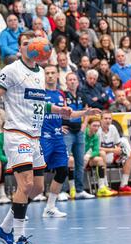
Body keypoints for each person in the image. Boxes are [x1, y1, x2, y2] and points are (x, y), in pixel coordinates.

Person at [0, 31, 72, 244]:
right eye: (26, 43)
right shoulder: (12, 70)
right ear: (20, 47)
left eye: (34, 43)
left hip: (34, 137)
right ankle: (18, 239)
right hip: (16, 134)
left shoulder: (41, 72)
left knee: (37, 188)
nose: (31, 47)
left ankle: (4, 229)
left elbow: (37, 103)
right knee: (24, 185)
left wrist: (58, 109)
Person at [38, 65, 101, 215]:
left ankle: (50, 207)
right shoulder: (39, 94)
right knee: (35, 179)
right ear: (44, 76)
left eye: (53, 73)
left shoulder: (60, 95)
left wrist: (87, 112)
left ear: (58, 75)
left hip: (57, 137)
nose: (51, 76)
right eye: (48, 73)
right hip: (42, 138)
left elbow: (67, 114)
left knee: (62, 170)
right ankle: (19, 209)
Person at [61, 72, 96, 200]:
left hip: (79, 132)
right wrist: (60, 126)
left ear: (78, 82)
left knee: (80, 162)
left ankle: (80, 190)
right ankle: (63, 191)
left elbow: (87, 110)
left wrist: (84, 125)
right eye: (69, 79)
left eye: (74, 79)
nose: (72, 81)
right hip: (67, 132)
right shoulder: (63, 95)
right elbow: (59, 111)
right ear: (66, 82)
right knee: (64, 161)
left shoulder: (82, 95)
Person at [98, 111, 131, 194]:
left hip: (112, 154)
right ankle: (105, 186)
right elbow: (97, 149)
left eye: (109, 118)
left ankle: (124, 185)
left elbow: (118, 144)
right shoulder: (97, 130)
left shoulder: (113, 128)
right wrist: (113, 150)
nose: (108, 120)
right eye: (105, 118)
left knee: (130, 154)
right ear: (101, 120)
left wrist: (121, 151)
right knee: (102, 154)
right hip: (101, 155)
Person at [83, 117, 117, 197]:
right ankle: (73, 189)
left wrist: (89, 155)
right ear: (88, 125)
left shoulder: (96, 136)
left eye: (98, 126)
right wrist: (83, 155)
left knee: (100, 160)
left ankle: (101, 188)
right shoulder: (83, 134)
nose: (96, 128)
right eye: (94, 126)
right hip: (79, 157)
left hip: (88, 158)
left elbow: (96, 150)